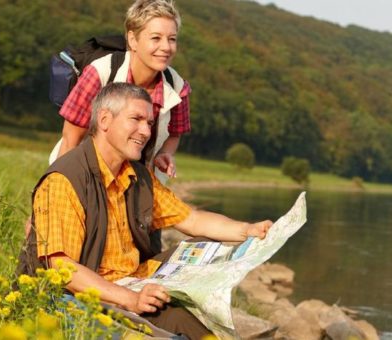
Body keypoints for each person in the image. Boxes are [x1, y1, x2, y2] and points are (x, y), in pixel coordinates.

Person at [28, 83, 272, 338]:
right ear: (104, 120)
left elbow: (193, 219)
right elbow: (62, 267)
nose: (146, 131)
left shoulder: (137, 174)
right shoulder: (65, 179)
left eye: (150, 122)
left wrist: (248, 230)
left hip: (133, 283)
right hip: (79, 297)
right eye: (136, 119)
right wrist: (130, 299)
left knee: (202, 320)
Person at [56, 0, 191, 183]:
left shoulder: (177, 87)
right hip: (87, 173)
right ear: (133, 40)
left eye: (172, 39)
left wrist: (165, 153)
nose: (166, 47)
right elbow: (70, 139)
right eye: (156, 38)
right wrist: (62, 186)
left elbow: (175, 133)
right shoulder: (100, 73)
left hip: (141, 180)